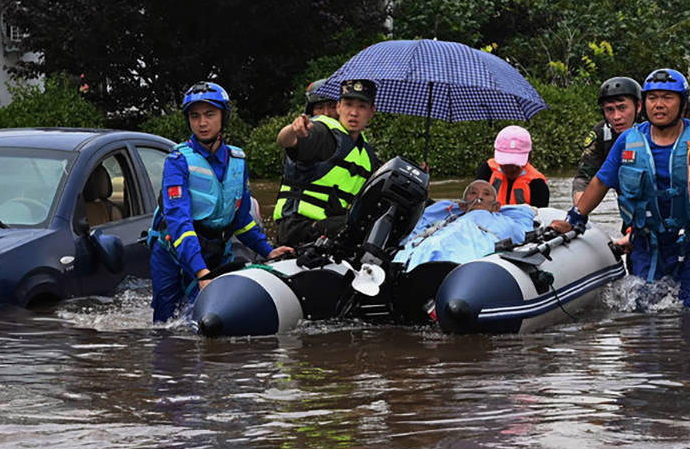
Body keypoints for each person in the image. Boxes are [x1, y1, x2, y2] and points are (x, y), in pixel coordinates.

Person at [550, 68, 690, 310]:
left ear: (683, 103)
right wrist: (575, 218)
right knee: (643, 319)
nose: (659, 105)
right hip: (646, 246)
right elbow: (600, 182)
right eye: (652, 98)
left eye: (667, 98)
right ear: (643, 104)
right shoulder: (627, 141)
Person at [148, 82, 292, 323]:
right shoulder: (177, 160)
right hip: (173, 253)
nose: (202, 123)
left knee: (204, 321)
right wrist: (201, 272)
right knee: (166, 325)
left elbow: (242, 220)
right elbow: (179, 222)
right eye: (195, 116)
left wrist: (268, 251)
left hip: (215, 251)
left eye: (209, 114)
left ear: (223, 117)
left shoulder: (238, 160)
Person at [274, 78, 379, 247]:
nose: (354, 112)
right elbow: (285, 140)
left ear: (372, 111)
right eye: (348, 105)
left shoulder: (367, 154)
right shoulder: (323, 132)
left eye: (362, 106)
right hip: (299, 227)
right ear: (339, 107)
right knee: (357, 226)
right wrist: (293, 130)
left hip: (330, 228)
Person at [395, 180, 536, 270]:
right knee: (436, 243)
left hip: (471, 241)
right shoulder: (451, 219)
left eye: (486, 194)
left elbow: (521, 233)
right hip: (441, 239)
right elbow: (417, 229)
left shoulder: (502, 220)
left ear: (496, 206)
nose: (478, 197)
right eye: (473, 193)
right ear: (463, 205)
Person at [572, 76, 643, 205]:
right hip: (630, 208)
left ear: (638, 106)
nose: (616, 117)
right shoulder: (602, 134)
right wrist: (579, 210)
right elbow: (584, 177)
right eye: (609, 110)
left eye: (622, 108)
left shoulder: (653, 130)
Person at [475, 125, 550, 207]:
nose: (510, 168)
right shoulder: (487, 170)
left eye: (516, 164)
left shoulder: (537, 184)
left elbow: (539, 217)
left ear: (529, 156)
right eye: (505, 163)